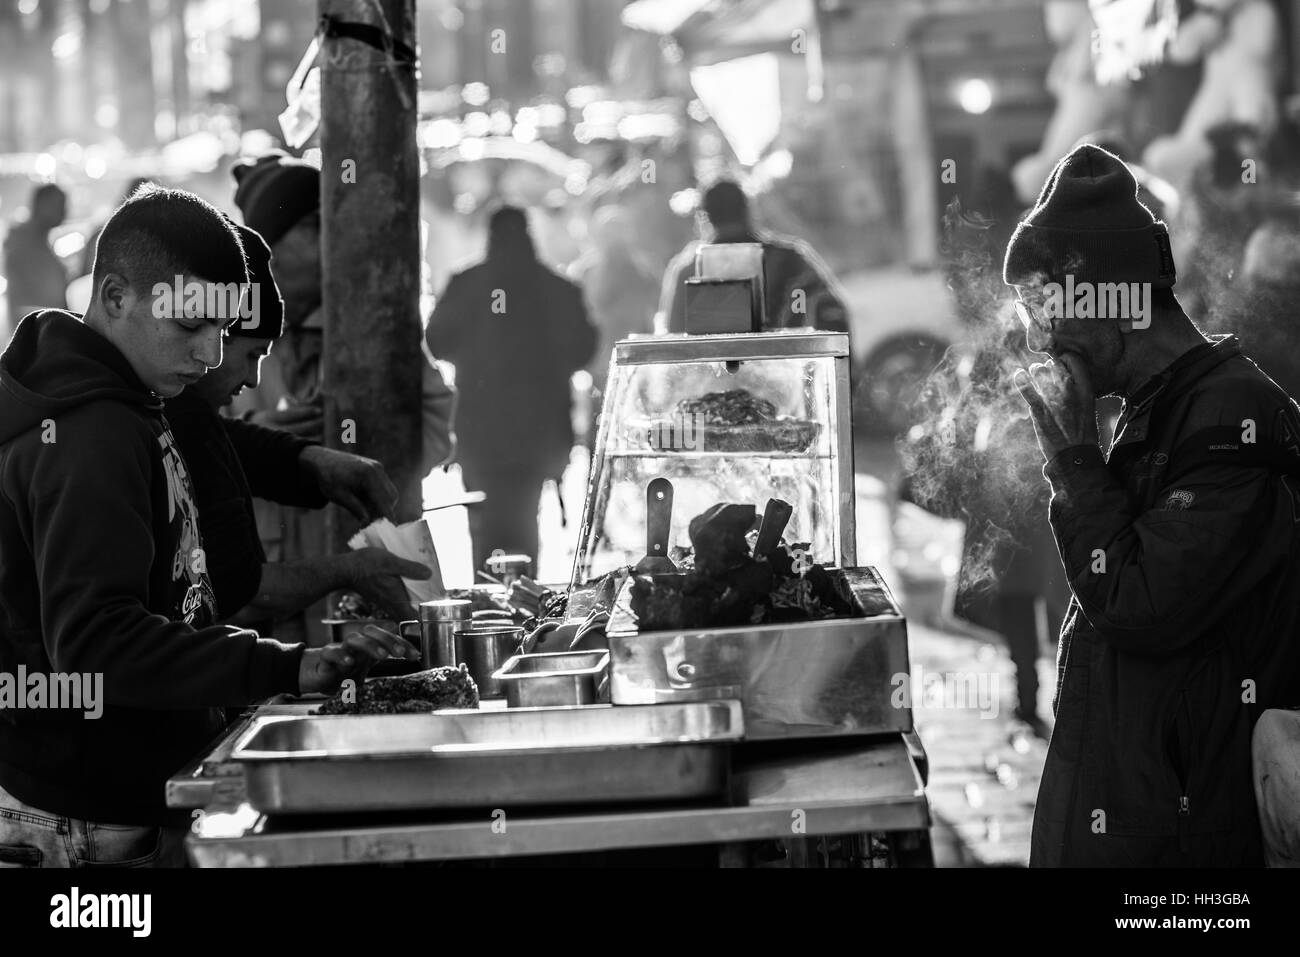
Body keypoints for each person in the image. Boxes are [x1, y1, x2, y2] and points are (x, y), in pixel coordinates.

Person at [0, 187, 417, 867]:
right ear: (115, 297)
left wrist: (306, 464)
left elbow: (215, 439)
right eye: (192, 325)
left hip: (125, 788)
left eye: (222, 331)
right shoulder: (88, 433)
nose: (208, 353)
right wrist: (285, 664)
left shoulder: (132, 392)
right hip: (88, 816)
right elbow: (97, 641)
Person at [1005, 144, 1300, 866]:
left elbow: (1139, 602)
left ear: (1112, 302)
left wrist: (1075, 464)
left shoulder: (1231, 418)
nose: (1043, 340)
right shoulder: (1161, 408)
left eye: (1049, 310)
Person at [227, 151, 455, 643]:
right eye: (314, 228)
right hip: (274, 597)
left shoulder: (377, 327)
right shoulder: (224, 336)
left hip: (379, 595)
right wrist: (263, 444)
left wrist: (364, 434)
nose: (333, 241)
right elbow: (192, 447)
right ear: (271, 249)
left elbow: (438, 430)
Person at [165, 223, 430, 633]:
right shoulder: (128, 414)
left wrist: (311, 462)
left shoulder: (181, 411)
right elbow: (240, 593)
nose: (253, 379)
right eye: (251, 354)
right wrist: (352, 571)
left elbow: (219, 438)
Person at [427, 205, 597, 572]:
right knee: (524, 523)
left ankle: (489, 609)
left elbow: (436, 341)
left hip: (479, 432)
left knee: (483, 524)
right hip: (538, 433)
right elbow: (585, 348)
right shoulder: (556, 287)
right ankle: (520, 611)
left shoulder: (466, 284)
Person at [657, 179, 850, 339]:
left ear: (704, 217)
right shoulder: (790, 260)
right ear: (748, 209)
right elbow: (833, 316)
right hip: (787, 378)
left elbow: (673, 342)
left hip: (712, 382)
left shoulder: (690, 270)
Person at [2, 183, 69, 336]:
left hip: (45, 330)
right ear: (39, 204)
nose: (64, 211)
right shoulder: (22, 244)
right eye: (58, 204)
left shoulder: (39, 241)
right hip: (37, 334)